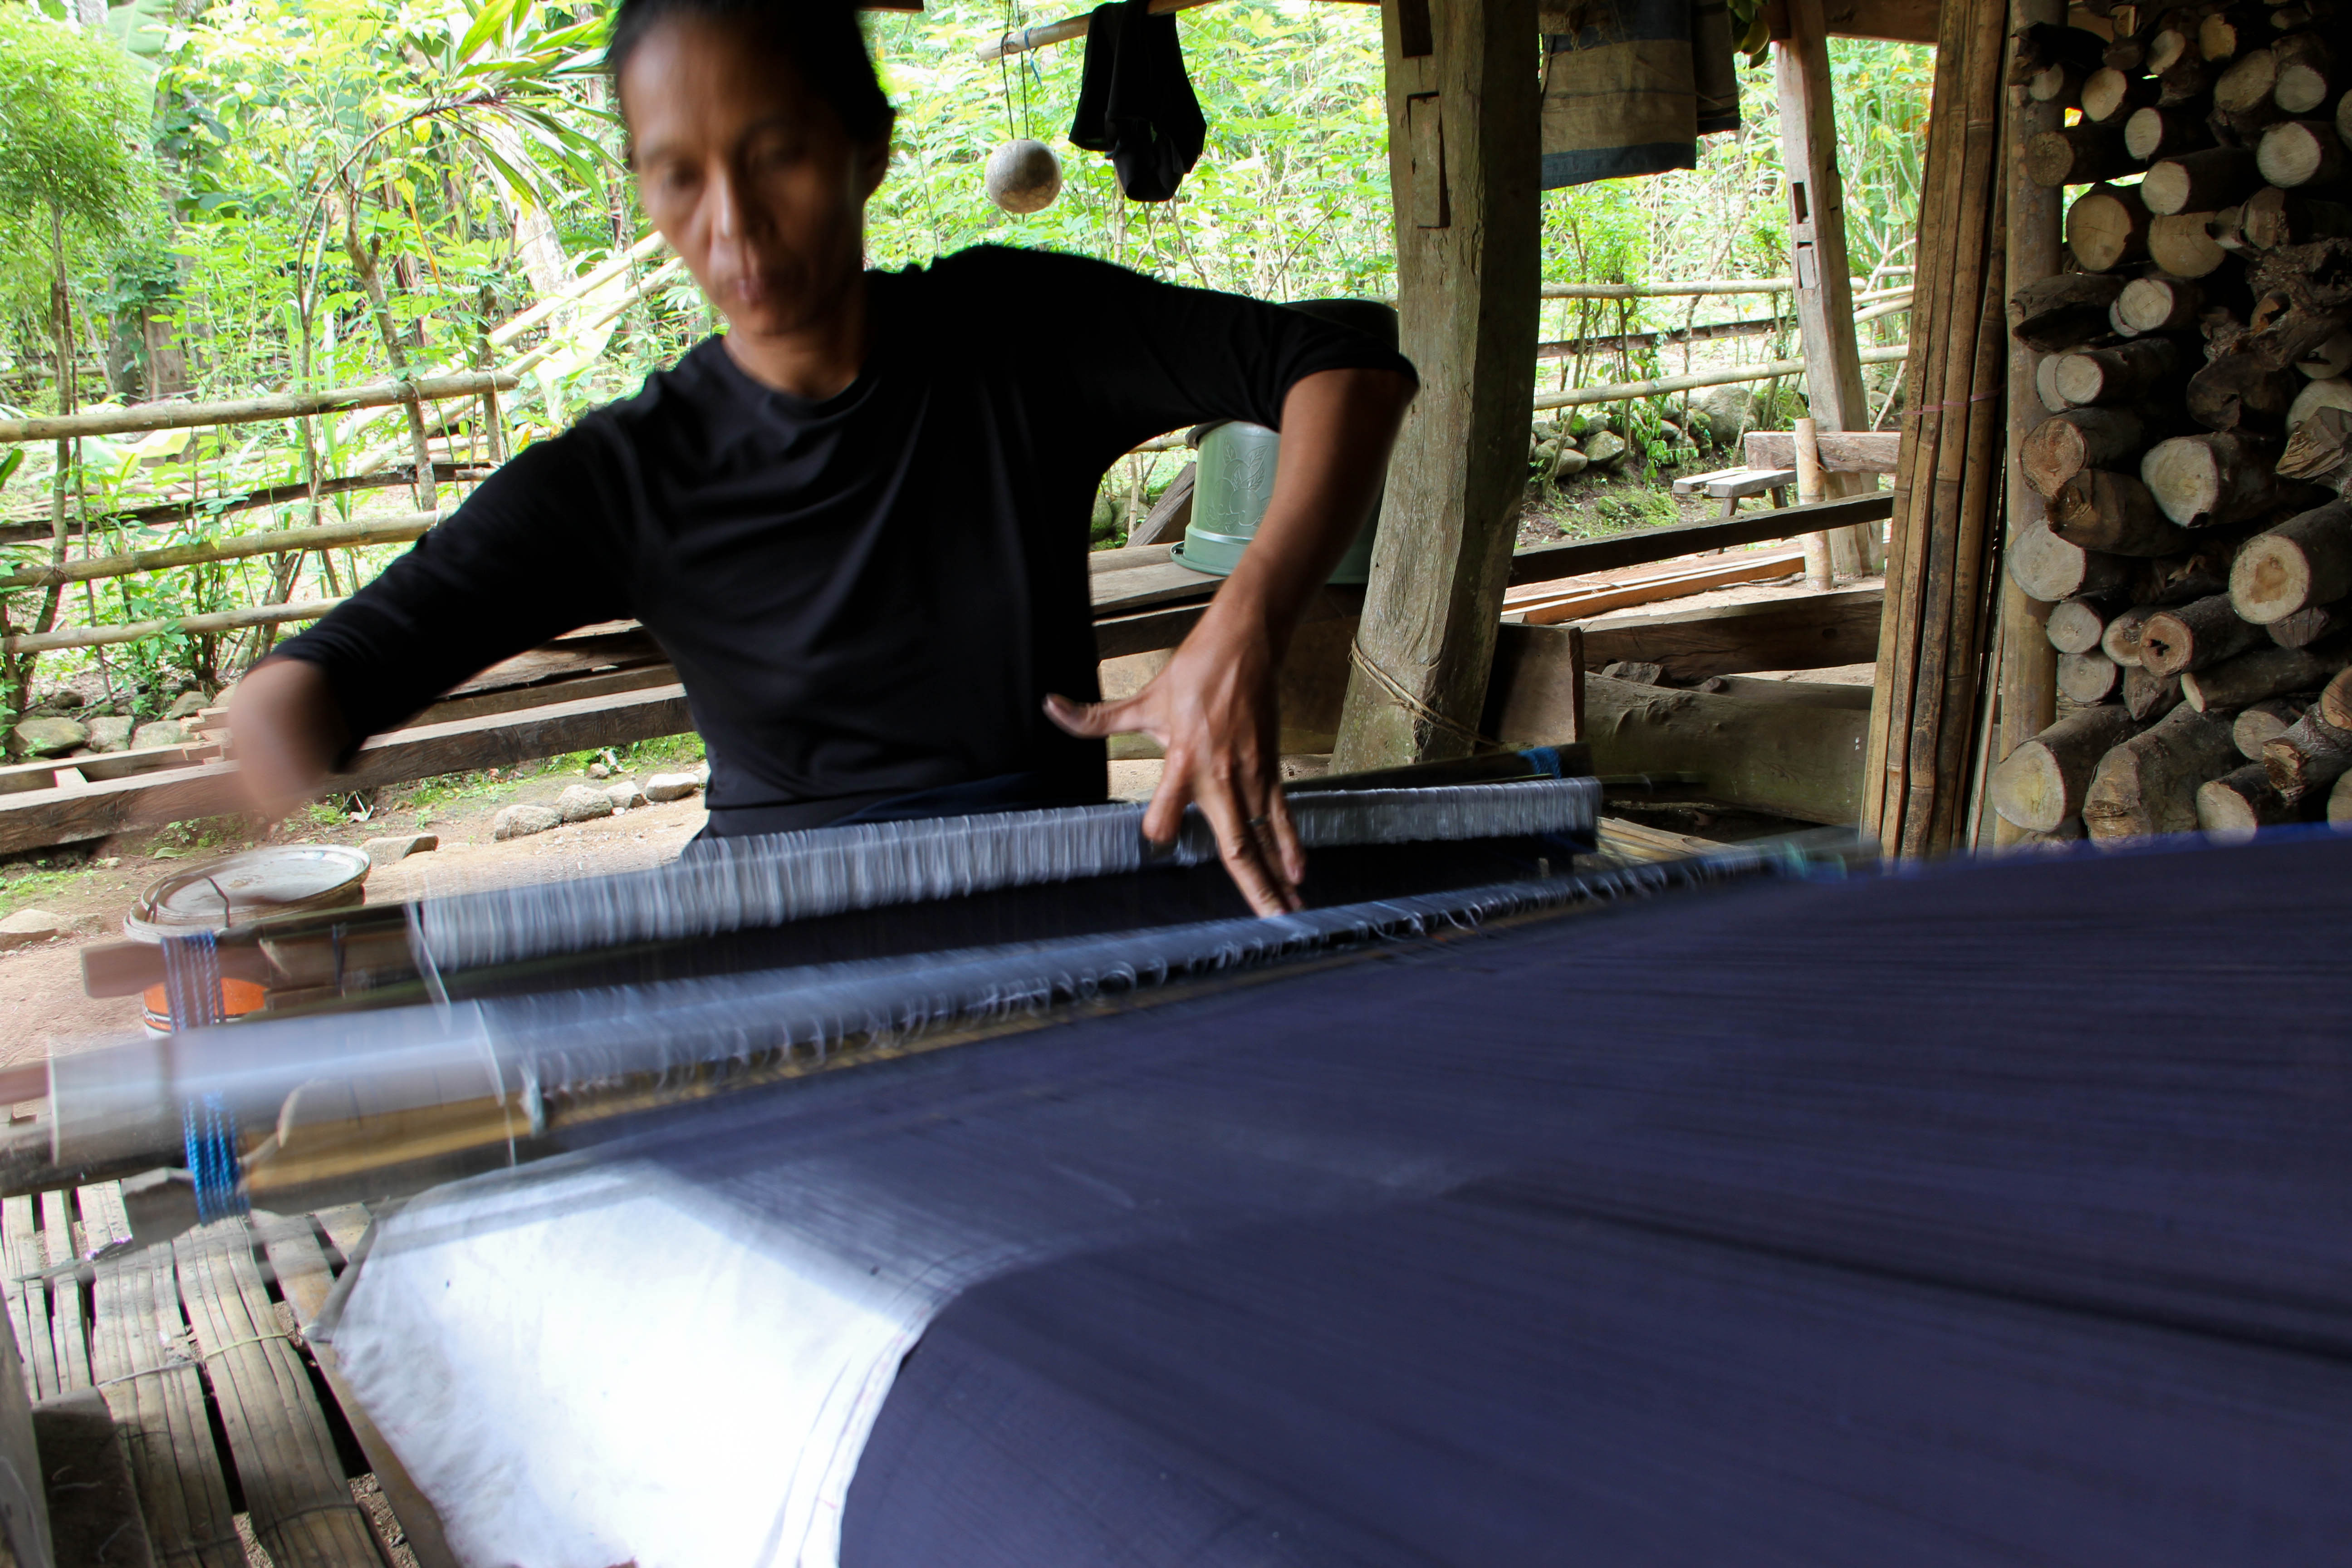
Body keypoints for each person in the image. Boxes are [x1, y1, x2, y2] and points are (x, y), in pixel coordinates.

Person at [231, 0, 1416, 916]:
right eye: (679, 174)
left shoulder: (1019, 338)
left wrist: (1248, 616)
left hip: (1049, 910)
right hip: (775, 945)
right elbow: (343, 668)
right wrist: (267, 738)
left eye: (777, 155)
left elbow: (1342, 369)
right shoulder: (628, 477)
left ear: (869, 152)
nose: (733, 226)